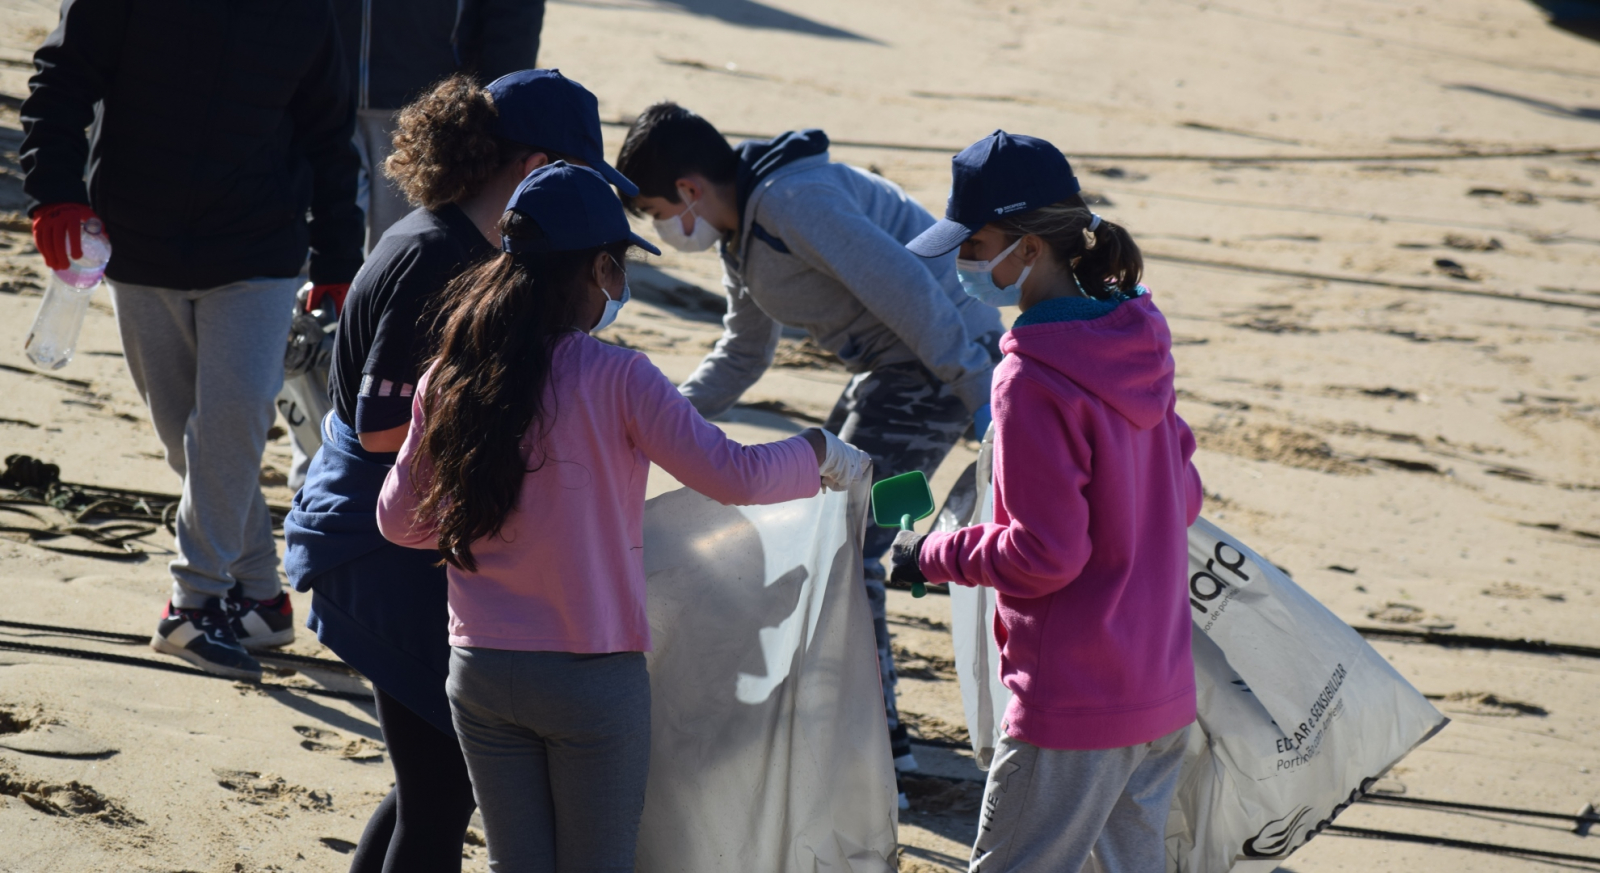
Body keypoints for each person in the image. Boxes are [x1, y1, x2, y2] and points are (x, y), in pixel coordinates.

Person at [374, 161, 870, 872]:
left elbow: (399, 521)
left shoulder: (450, 372)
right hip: (587, 677)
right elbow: (732, 473)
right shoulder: (619, 377)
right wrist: (819, 449)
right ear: (601, 266)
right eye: (617, 270)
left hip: (479, 669)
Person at [284, 69, 632, 873]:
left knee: (427, 788)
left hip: (398, 533)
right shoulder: (436, 256)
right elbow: (378, 430)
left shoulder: (463, 243)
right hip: (375, 544)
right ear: (534, 165)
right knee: (441, 791)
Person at [615, 103, 1003, 781]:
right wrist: (656, 421)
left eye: (652, 211)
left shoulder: (794, 204)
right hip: (897, 372)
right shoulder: (744, 231)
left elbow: (909, 289)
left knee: (852, 546)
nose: (660, 228)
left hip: (939, 366)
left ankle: (877, 750)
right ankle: (846, 722)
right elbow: (742, 352)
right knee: (836, 525)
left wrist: (982, 395)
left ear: (688, 190)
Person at [19, 0, 365, 679]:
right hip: (140, 246)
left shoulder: (309, 13)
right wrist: (55, 195)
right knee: (185, 434)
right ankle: (260, 596)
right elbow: (60, 81)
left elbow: (330, 137)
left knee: (233, 424)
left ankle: (193, 604)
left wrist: (336, 268)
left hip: (260, 255)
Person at [890, 131, 1203, 873]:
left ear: (1028, 249)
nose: (967, 263)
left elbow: (1045, 552)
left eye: (977, 244)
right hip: (1159, 689)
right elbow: (1183, 492)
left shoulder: (1030, 377)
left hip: (1074, 700)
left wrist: (931, 555)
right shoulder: (1139, 336)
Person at [335, 0, 549, 252]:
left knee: (415, 256)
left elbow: (514, 16)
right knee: (323, 260)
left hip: (431, 111)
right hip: (323, 94)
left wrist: (494, 104)